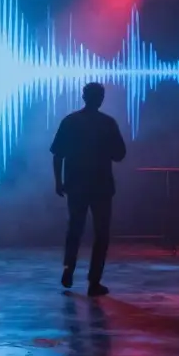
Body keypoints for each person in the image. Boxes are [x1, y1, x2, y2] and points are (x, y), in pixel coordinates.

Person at [50, 82, 126, 296]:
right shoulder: (108, 123)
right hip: (101, 185)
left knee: (75, 228)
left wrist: (58, 181)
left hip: (76, 183)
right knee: (101, 233)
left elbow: (57, 154)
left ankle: (69, 268)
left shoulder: (70, 121)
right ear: (100, 98)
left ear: (84, 97)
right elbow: (119, 154)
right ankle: (94, 282)